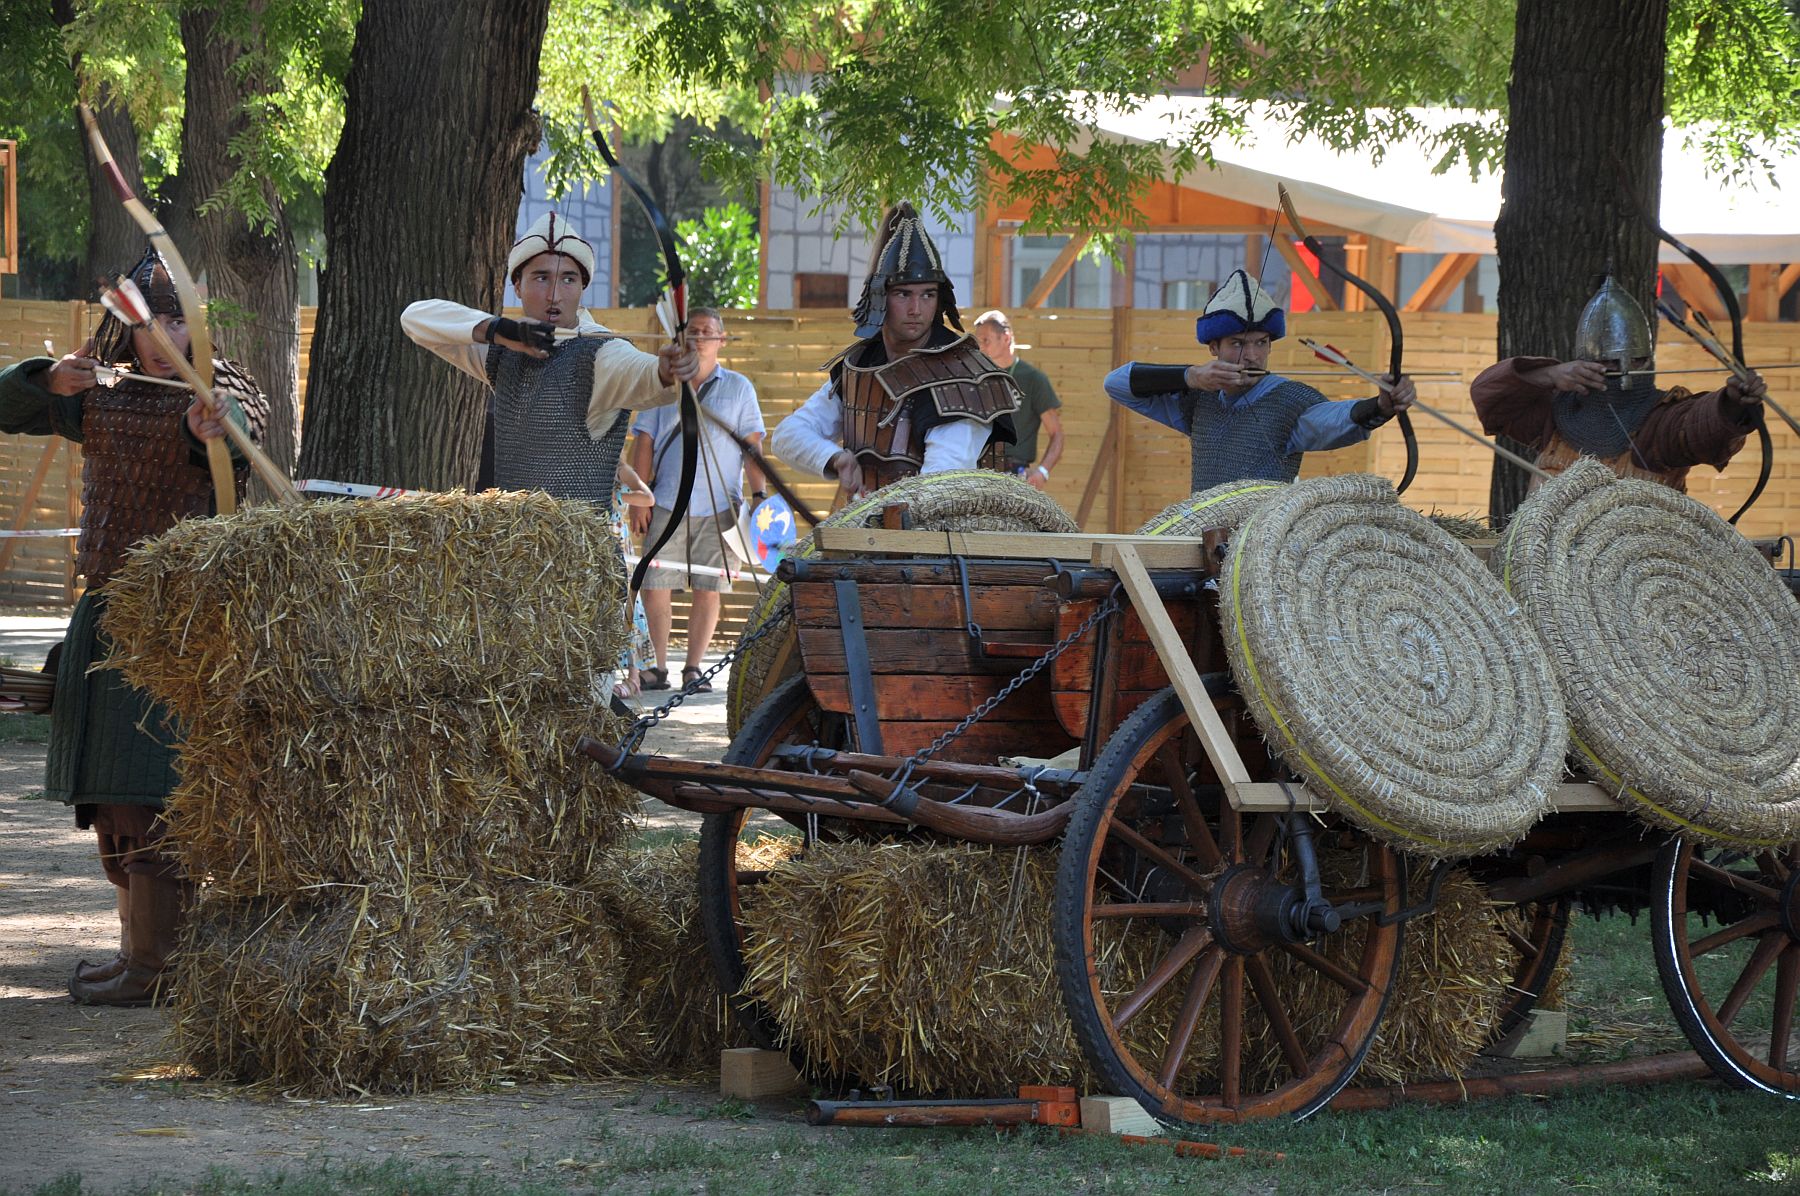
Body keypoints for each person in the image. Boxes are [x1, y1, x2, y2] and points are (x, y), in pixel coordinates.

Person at [0, 248, 268, 1007]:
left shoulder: (223, 387)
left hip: (177, 622)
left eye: (183, 318)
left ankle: (160, 968)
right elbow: (6, 407)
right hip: (108, 608)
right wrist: (50, 380)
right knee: (115, 804)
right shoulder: (103, 390)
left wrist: (214, 426)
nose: (168, 335)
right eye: (153, 318)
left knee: (158, 794)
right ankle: (137, 955)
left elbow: (241, 429)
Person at [401, 212, 700, 504]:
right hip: (513, 545)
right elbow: (414, 319)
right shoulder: (503, 348)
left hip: (579, 550)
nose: (555, 294)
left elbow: (640, 373)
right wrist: (500, 330)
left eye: (568, 279)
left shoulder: (601, 352)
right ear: (517, 286)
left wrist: (666, 370)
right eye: (541, 278)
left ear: (583, 287)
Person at [770, 204, 1019, 503]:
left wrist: (877, 512)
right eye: (904, 294)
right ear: (880, 298)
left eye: (928, 294)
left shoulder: (963, 375)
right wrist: (837, 458)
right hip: (869, 534)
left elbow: (939, 487)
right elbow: (787, 436)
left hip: (944, 542)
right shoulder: (863, 364)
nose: (916, 309)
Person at [1104, 269, 1416, 492]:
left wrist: (1382, 405)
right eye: (1238, 344)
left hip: (1265, 542)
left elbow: (1332, 421)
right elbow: (1115, 384)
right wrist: (1192, 376)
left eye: (1261, 343)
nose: (1252, 355)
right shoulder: (1200, 398)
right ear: (1214, 347)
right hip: (1202, 536)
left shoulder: (1287, 400)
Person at [1471, 275, 1765, 491]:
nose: (1613, 370)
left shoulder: (1661, 422)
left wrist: (1734, 402)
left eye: (1625, 361)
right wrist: (1550, 375)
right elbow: (1491, 396)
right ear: (1582, 362)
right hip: (1545, 561)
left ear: (1644, 361)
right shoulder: (1558, 413)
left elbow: (1700, 428)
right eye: (1603, 362)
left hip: (1635, 565)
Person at [628, 308, 766, 692]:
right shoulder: (662, 385)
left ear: (722, 341)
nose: (700, 338)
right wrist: (639, 498)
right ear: (683, 339)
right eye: (694, 331)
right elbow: (645, 440)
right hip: (667, 501)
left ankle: (693, 668)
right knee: (655, 584)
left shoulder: (739, 388)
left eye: (709, 332)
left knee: (710, 587)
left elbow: (752, 447)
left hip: (721, 505)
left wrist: (760, 497)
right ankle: (657, 666)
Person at [972, 309, 1064, 491]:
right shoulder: (974, 378)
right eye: (978, 342)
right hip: (976, 473)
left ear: (1006, 338)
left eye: (986, 340)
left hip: (1016, 477)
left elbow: (1057, 434)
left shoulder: (1033, 379)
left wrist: (1042, 472)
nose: (981, 347)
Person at [610, 462, 657, 698]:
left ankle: (633, 676)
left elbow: (647, 498)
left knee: (628, 605)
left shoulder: (621, 468)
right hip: (593, 543)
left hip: (617, 543)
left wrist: (620, 495)